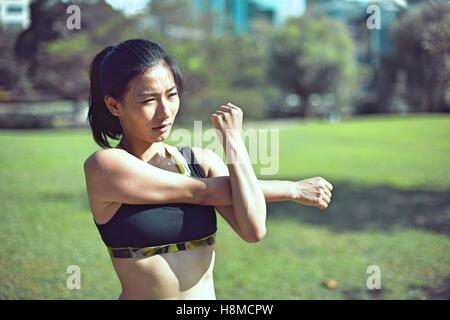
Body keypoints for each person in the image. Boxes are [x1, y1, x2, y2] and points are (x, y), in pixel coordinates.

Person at [83, 39, 333, 300]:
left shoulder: (201, 162)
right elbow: (201, 193)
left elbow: (254, 229)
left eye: (171, 95)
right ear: (114, 105)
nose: (165, 112)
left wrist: (233, 141)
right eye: (148, 100)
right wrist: (292, 189)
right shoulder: (105, 166)